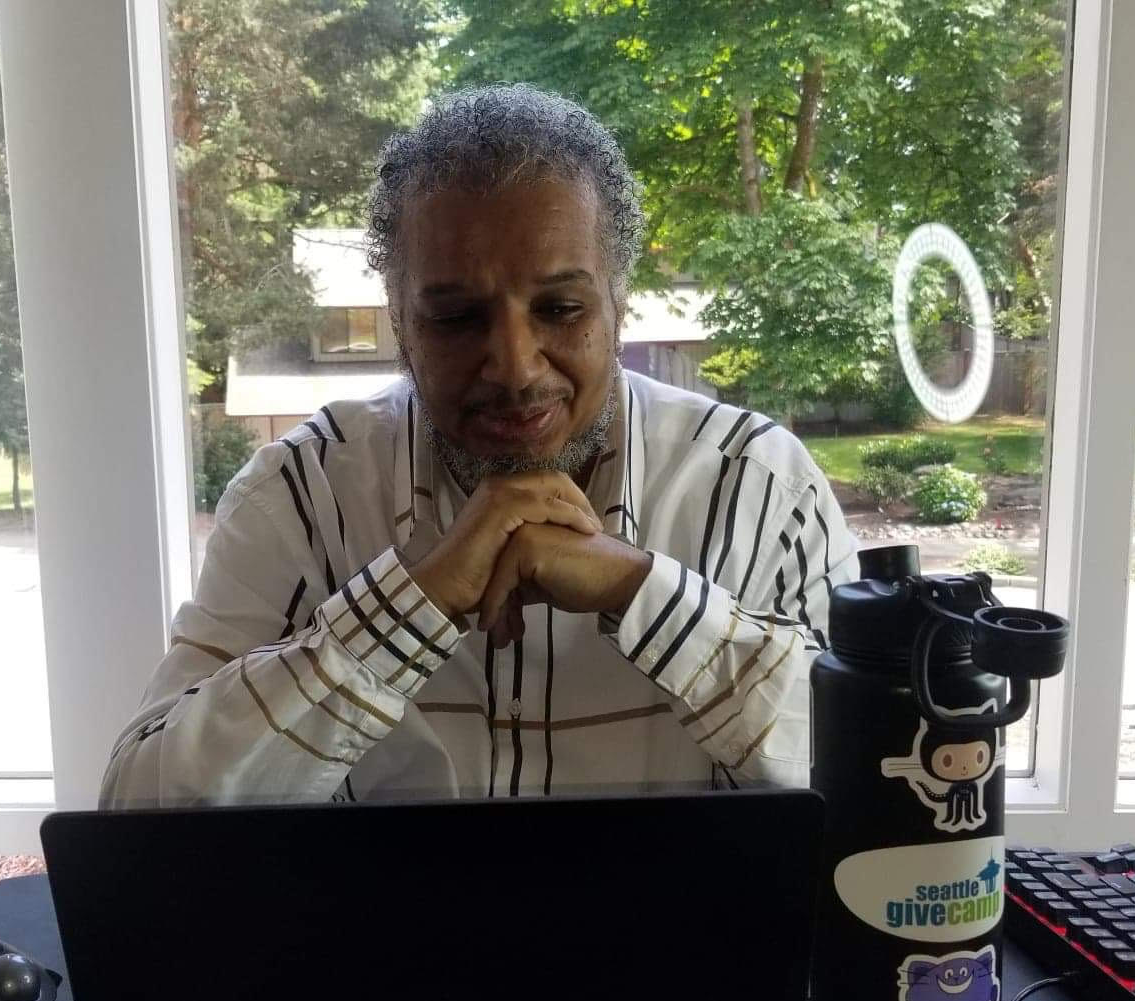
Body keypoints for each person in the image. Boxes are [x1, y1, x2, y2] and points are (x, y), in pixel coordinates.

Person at [100, 85, 857, 808]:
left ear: (619, 304)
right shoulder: (302, 496)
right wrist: (407, 607)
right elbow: (141, 806)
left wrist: (642, 594)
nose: (515, 366)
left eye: (561, 308)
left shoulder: (759, 488)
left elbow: (891, 774)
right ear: (399, 316)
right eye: (458, 318)